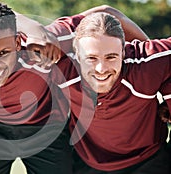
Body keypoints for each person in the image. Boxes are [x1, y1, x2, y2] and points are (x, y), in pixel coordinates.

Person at [0, 2, 151, 174]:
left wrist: (146, 62)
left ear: (17, 41)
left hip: (47, 127)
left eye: (3, 53)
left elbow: (108, 13)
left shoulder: (43, 44)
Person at [45, 11, 171, 173]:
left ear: (124, 52)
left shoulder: (144, 65)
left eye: (111, 57)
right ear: (76, 55)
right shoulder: (61, 68)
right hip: (88, 162)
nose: (101, 69)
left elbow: (107, 10)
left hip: (149, 160)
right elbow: (12, 32)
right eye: (91, 58)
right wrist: (53, 31)